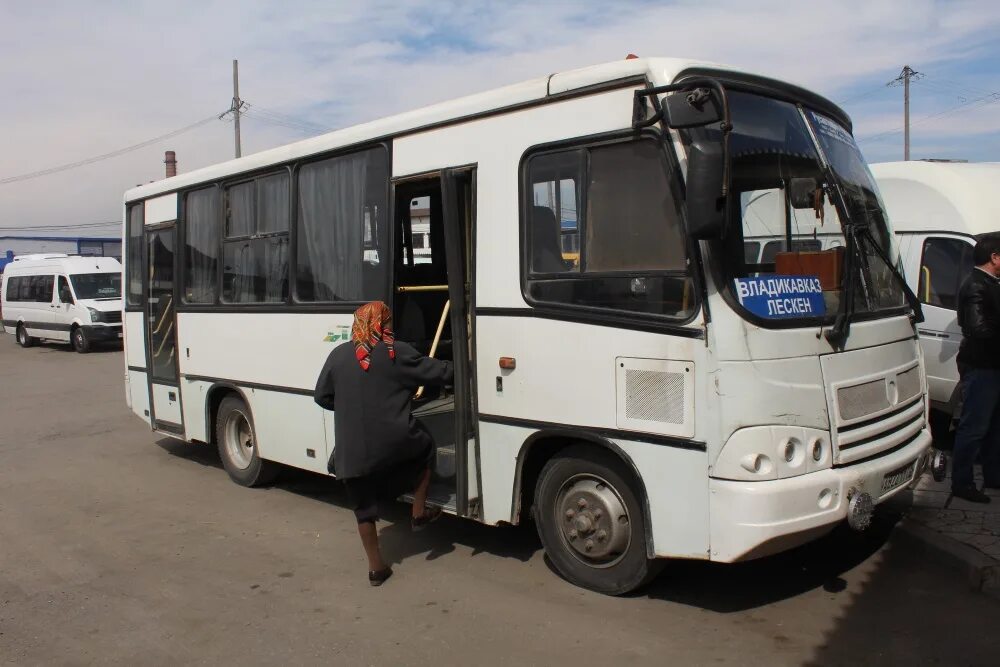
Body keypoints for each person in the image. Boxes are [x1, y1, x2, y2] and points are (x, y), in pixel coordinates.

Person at [314, 301, 453, 586]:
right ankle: (418, 511)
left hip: (352, 454)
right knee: (425, 446)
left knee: (363, 510)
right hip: (394, 443)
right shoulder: (395, 351)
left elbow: (321, 396)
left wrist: (349, 407)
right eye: (388, 321)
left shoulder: (338, 355)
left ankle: (376, 569)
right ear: (383, 324)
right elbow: (440, 373)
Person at [951, 232, 1000, 503]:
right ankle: (962, 482)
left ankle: (993, 476)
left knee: (994, 427)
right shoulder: (975, 286)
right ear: (994, 257)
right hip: (981, 367)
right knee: (974, 427)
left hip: (993, 365)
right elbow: (978, 328)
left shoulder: (992, 282)